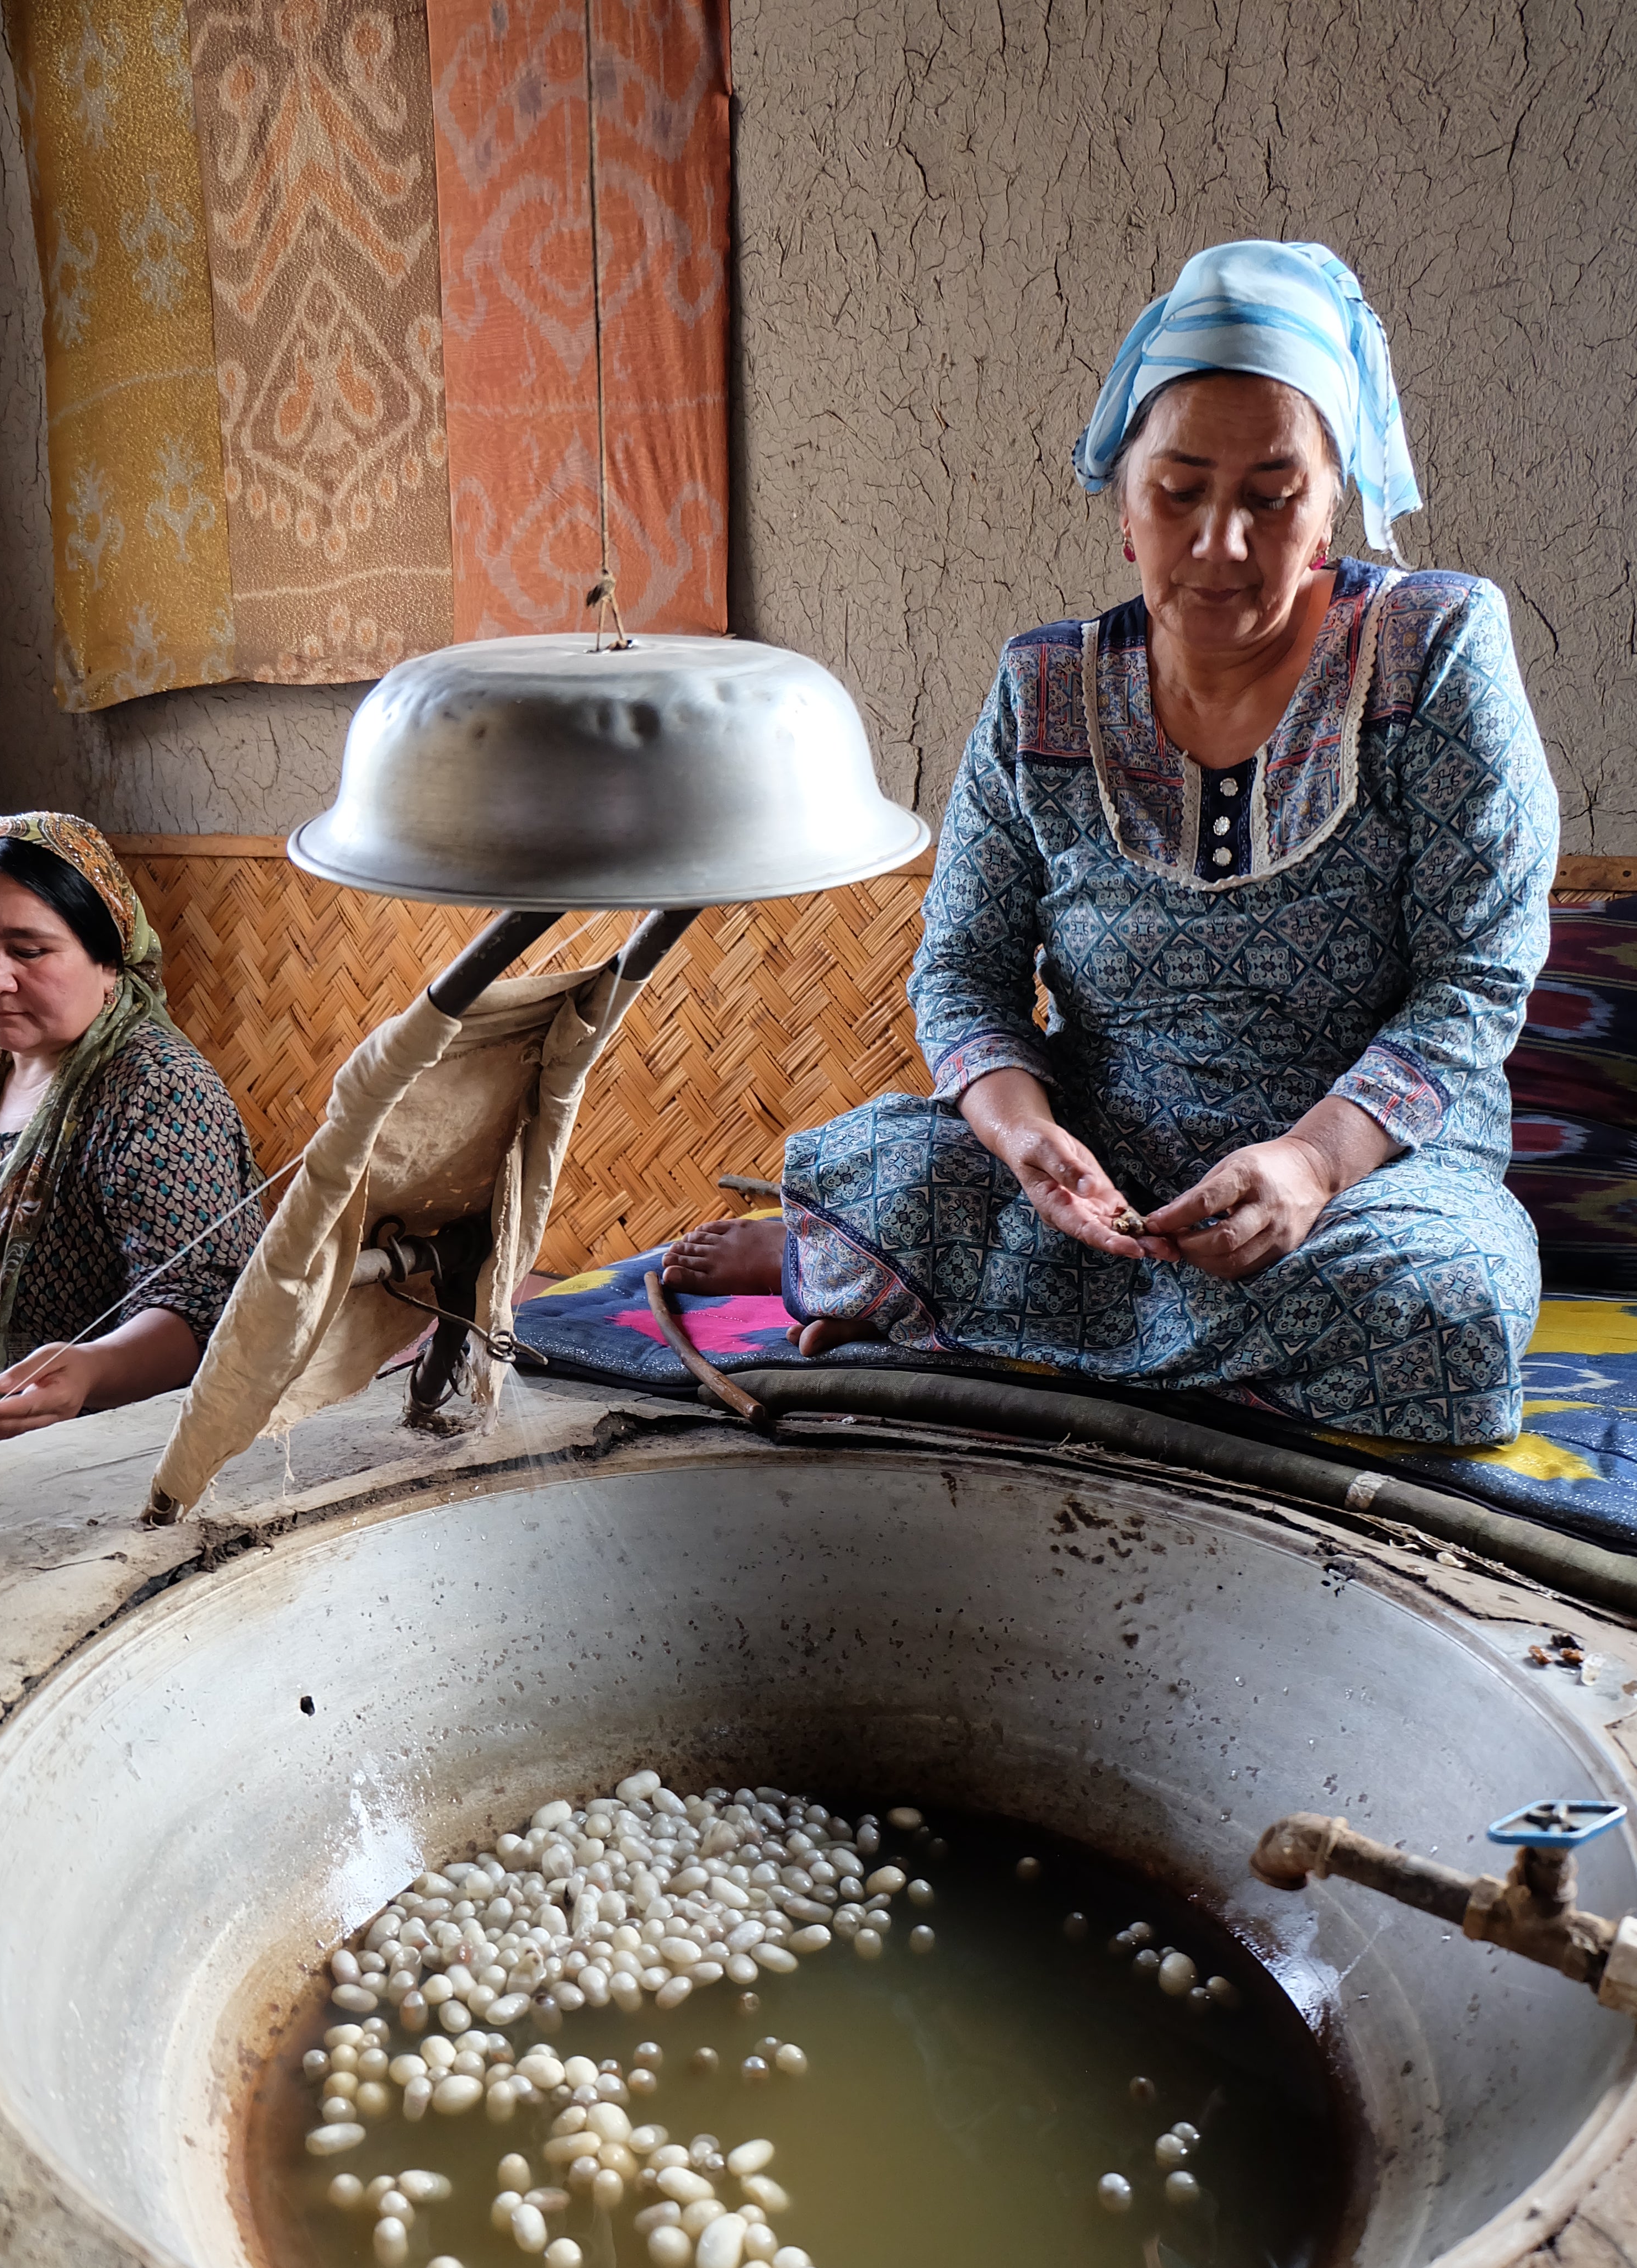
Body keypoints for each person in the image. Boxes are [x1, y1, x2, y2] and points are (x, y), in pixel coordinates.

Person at [665, 240, 1558, 1446]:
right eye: (1181, 490)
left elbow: (1476, 979)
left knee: (1442, 1312)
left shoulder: (1435, 648)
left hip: (1373, 1175)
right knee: (901, 1170)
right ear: (1125, 505)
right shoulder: (1043, 689)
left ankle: (907, 1291)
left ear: (1332, 500)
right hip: (1101, 1166)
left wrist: (1306, 1168)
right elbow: (965, 970)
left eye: (1271, 494)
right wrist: (1025, 1137)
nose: (1223, 543)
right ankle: (934, 1269)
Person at [0, 812, 266, 1484]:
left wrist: (91, 1372)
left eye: (28, 951)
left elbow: (207, 1310)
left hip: (98, 1455)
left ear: (107, 959)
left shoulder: (157, 1089)